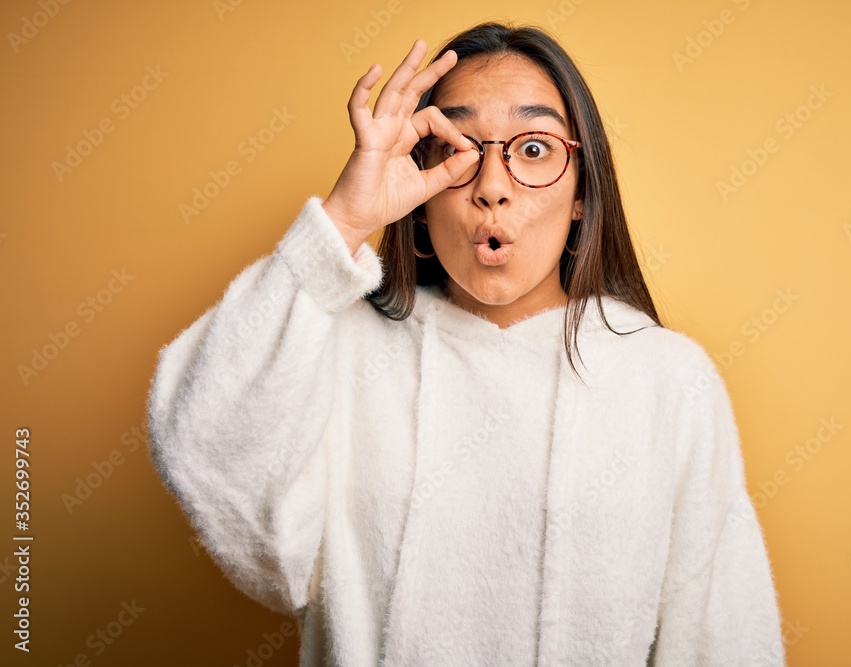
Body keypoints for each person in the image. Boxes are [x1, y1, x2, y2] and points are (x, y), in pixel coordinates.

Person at [147, 20, 786, 667]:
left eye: (533, 148)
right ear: (420, 195)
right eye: (458, 148)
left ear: (582, 194)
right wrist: (343, 221)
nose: (492, 186)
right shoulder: (336, 350)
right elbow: (207, 457)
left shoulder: (667, 379)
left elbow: (724, 638)